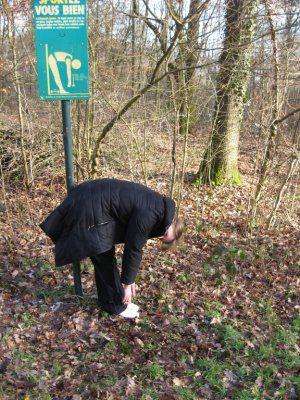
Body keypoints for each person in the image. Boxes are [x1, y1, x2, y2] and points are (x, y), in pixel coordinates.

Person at [39, 178, 184, 319]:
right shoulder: (151, 214)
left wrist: (129, 280)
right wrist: (128, 283)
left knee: (104, 254)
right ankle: (115, 306)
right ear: (173, 222)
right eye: (164, 233)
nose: (160, 235)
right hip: (91, 207)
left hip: (95, 203)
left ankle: (113, 302)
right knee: (103, 257)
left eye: (162, 238)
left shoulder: (159, 207)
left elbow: (133, 241)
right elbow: (133, 248)